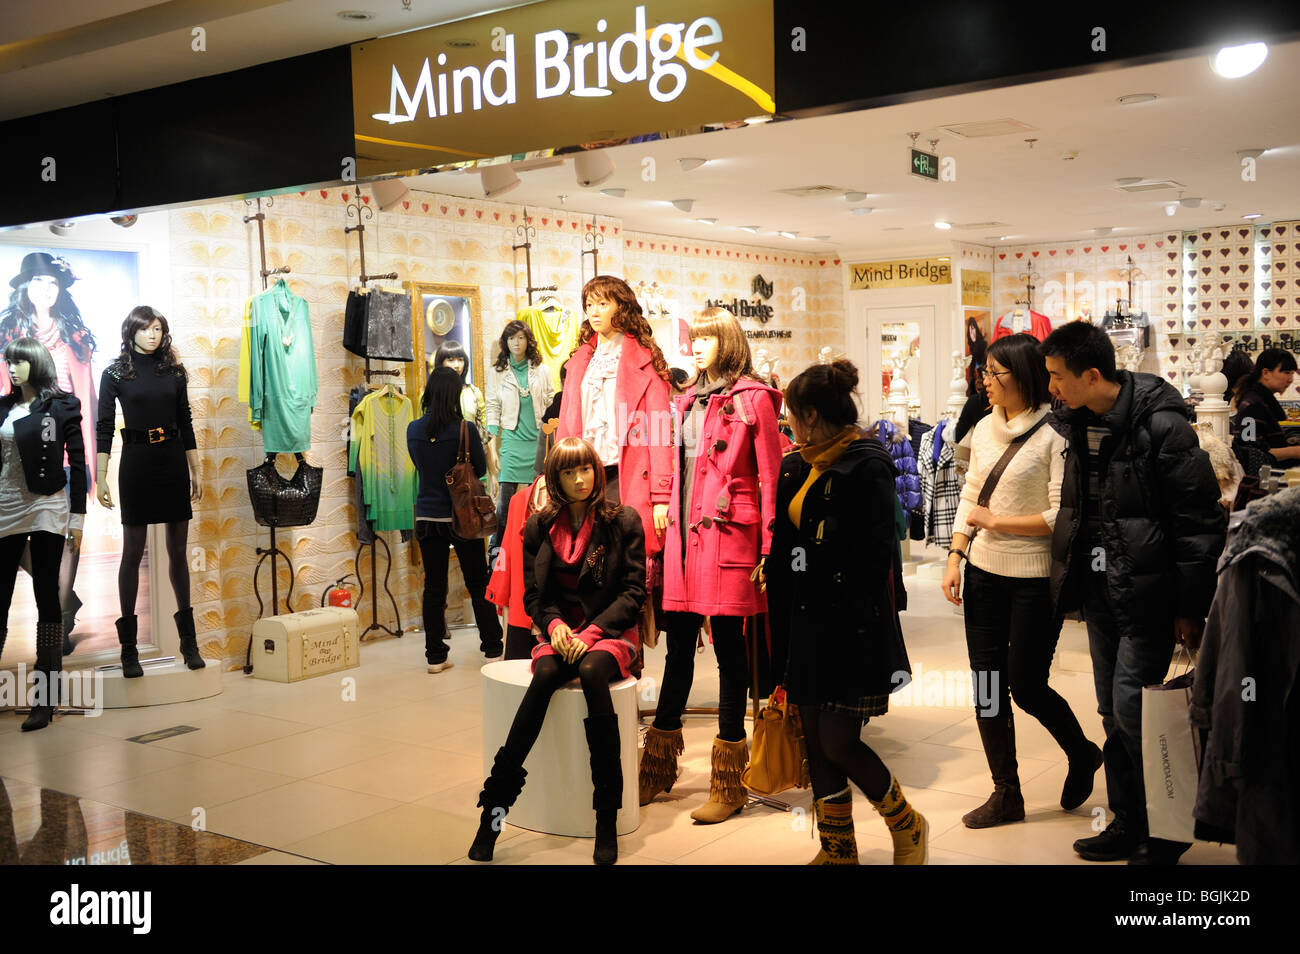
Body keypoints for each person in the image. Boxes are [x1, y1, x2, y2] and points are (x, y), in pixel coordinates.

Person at [1040, 321, 1226, 865]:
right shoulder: (1076, 421)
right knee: (1110, 710)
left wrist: (1191, 606)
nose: (1050, 387)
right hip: (1099, 588)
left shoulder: (1163, 426)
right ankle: (1127, 820)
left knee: (1133, 709)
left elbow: (1198, 524)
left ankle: (1167, 828)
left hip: (1149, 593)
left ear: (1091, 374)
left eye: (1056, 376)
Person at [764, 359, 928, 865]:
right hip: (803, 622)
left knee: (839, 741)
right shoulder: (797, 465)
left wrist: (825, 579)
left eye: (791, 415)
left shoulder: (867, 464)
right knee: (815, 740)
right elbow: (783, 543)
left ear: (811, 415)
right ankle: (839, 850)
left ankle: (907, 823)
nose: (787, 425)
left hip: (852, 626)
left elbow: (877, 554)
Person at [941, 333, 1102, 829]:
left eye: (994, 374)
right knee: (987, 684)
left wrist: (998, 523)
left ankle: (1081, 752)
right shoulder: (985, 428)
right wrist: (955, 552)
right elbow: (971, 492)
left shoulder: (1057, 434)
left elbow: (1062, 515)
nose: (984, 382)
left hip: (1035, 579)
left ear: (1023, 377)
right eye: (984, 373)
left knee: (1026, 684)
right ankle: (1005, 792)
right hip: (983, 573)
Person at [468, 437, 645, 866]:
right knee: (545, 676)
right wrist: (555, 625)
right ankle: (493, 816)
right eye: (568, 472)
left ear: (596, 471)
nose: (579, 479)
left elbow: (634, 591)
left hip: (611, 632)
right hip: (559, 632)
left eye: (585, 469)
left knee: (591, 674)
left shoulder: (623, 520)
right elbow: (533, 597)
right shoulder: (538, 525)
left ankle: (606, 818)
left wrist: (594, 631)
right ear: (555, 478)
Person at [640, 307, 783, 822]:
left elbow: (770, 477)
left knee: (729, 653)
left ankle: (728, 778)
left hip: (729, 540)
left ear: (728, 341)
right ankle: (657, 766)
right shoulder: (682, 402)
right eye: (693, 338)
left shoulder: (754, 400)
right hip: (681, 542)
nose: (696, 347)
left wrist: (769, 547)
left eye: (707, 338)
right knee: (678, 650)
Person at [97, 307, 205, 674]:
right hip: (137, 464)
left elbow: (185, 419)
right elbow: (103, 425)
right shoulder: (114, 373)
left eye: (158, 329)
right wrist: (101, 475)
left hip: (173, 462)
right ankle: (129, 649)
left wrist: (195, 468)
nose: (152, 335)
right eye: (145, 329)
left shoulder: (174, 372)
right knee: (132, 552)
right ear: (131, 333)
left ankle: (189, 644)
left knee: (178, 551)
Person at [0, 252, 98, 651]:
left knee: (66, 538)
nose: (47, 288)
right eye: (39, 281)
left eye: (53, 282)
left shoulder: (74, 334)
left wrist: (91, 458)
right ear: (25, 287)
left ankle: (59, 612)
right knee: (20, 542)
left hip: (63, 441)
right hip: (19, 445)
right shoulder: (9, 333)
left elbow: (86, 397)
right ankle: (62, 600)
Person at [0, 338, 86, 731]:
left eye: (19, 362)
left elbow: (79, 462)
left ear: (36, 363)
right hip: (6, 505)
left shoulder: (61, 405)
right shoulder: (2, 406)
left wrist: (79, 519)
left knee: (45, 594)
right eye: (9, 362)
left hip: (48, 504)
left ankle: (46, 698)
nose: (12, 369)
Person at [556, 275, 674, 558]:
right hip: (582, 475)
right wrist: (556, 474)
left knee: (626, 561)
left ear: (620, 307)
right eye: (589, 304)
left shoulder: (646, 361)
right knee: (584, 560)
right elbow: (566, 425)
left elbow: (659, 433)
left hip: (626, 475)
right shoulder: (580, 361)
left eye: (602, 303)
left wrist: (661, 496)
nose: (593, 311)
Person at [407, 367, 504, 670]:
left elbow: (420, 466)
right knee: (477, 582)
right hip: (462, 517)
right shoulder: (464, 429)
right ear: (454, 394)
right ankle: (491, 648)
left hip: (426, 516)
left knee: (434, 587)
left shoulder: (413, 429)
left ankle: (435, 656)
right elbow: (481, 469)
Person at [486, 319, 554, 554]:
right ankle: (497, 553)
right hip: (512, 442)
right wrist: (493, 443)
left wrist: (551, 436)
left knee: (540, 498)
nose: (517, 342)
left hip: (537, 440)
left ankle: (535, 549)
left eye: (521, 337)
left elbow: (549, 401)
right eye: (512, 338)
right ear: (506, 342)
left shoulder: (541, 370)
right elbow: (493, 406)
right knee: (505, 502)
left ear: (528, 341)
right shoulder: (497, 372)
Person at [1232, 347, 1300, 467]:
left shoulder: (1259, 400)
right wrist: (1294, 452)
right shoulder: (1252, 406)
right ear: (1266, 373)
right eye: (1286, 373)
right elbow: (1250, 452)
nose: (1291, 379)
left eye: (1292, 373)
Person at [433, 339, 485, 431]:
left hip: (470, 443)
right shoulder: (431, 393)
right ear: (441, 363)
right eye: (451, 360)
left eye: (460, 360)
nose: (457, 365)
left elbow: (484, 426)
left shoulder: (474, 392)